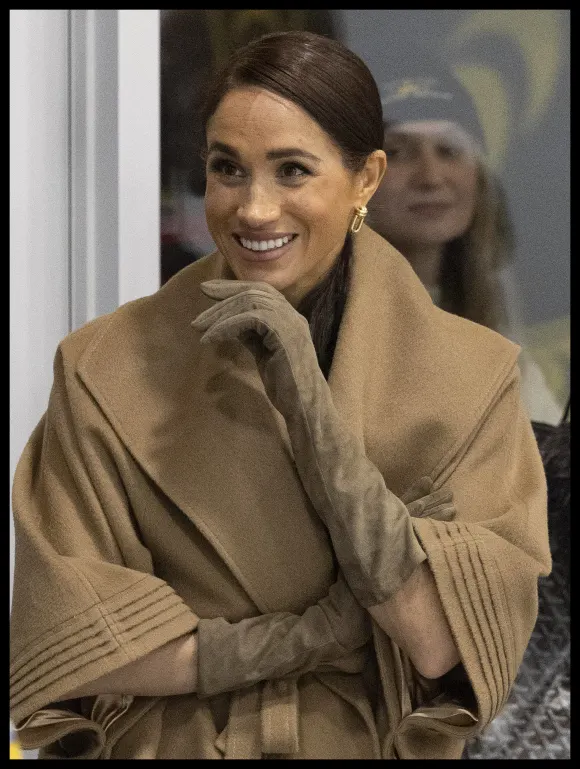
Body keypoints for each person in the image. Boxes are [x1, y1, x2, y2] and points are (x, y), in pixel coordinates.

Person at [10, 31, 550, 760]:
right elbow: (73, 642)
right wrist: (308, 636)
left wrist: (310, 407)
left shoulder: (472, 380)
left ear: (366, 180)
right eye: (227, 169)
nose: (253, 208)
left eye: (292, 170)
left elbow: (437, 643)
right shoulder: (102, 366)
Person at [366, 55, 563, 427]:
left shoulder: (497, 330)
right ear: (357, 179)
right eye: (397, 152)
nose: (430, 177)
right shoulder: (328, 329)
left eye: (449, 150)